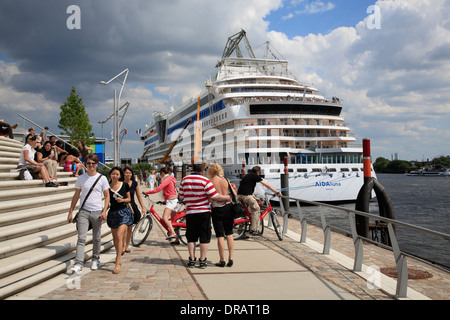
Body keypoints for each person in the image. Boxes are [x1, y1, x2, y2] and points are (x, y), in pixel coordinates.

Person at [178, 163, 230, 269]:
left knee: (191, 237)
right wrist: (226, 197)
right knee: (204, 236)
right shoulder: (205, 181)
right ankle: (202, 260)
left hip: (190, 212)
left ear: (192, 169)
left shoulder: (184, 180)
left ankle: (192, 260)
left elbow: (181, 196)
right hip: (203, 212)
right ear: (203, 170)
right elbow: (214, 195)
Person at [67, 154, 110, 274]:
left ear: (97, 164)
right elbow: (76, 195)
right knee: (81, 238)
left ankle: (96, 259)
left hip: (97, 211)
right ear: (86, 164)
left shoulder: (102, 178)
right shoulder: (81, 178)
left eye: (93, 163)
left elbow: (107, 195)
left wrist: (104, 210)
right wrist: (70, 211)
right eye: (89, 163)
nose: (91, 165)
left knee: (96, 237)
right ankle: (78, 263)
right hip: (84, 211)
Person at [237, 166, 281, 236]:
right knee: (256, 209)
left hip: (240, 196)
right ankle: (254, 230)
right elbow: (266, 185)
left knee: (246, 212)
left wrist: (255, 197)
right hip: (246, 196)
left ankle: (241, 232)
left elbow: (248, 188)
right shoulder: (255, 176)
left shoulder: (247, 176)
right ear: (258, 172)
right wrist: (276, 192)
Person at [107, 166, 134, 274]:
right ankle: (118, 254)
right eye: (113, 174)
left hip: (124, 213)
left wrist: (122, 199)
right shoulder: (107, 187)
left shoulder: (124, 185)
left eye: (117, 174)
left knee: (119, 235)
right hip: (112, 213)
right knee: (115, 237)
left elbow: (129, 199)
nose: (115, 176)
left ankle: (118, 261)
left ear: (120, 176)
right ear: (110, 175)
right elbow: (106, 200)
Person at [208, 163, 235, 267]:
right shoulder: (225, 180)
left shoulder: (211, 182)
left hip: (217, 210)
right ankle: (231, 258)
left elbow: (210, 199)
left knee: (220, 235)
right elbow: (233, 194)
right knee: (229, 233)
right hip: (228, 208)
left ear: (210, 171)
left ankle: (222, 260)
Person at [144, 167, 179, 243]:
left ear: (162, 172)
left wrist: (147, 192)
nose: (160, 175)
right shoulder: (171, 178)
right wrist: (164, 201)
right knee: (173, 222)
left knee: (165, 218)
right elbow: (170, 191)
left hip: (171, 201)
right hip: (173, 200)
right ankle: (177, 239)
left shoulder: (167, 179)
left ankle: (173, 233)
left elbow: (158, 189)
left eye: (160, 173)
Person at [123, 166, 146, 253]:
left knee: (129, 227)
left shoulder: (134, 183)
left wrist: (142, 207)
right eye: (126, 173)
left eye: (129, 173)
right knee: (123, 228)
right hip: (122, 205)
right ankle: (121, 245)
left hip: (132, 206)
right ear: (123, 173)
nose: (128, 174)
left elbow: (138, 196)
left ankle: (127, 245)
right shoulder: (120, 182)